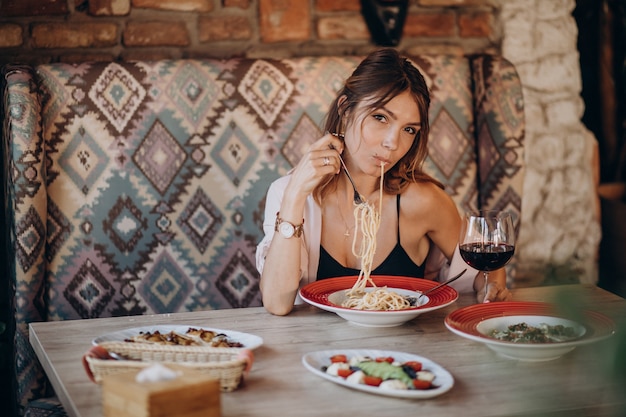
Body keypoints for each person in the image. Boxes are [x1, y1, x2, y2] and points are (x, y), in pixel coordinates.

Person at [255, 48, 512, 316]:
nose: (392, 143)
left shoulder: (424, 201)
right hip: (316, 352)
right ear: (345, 108)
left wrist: (490, 288)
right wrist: (295, 194)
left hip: (408, 352)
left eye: (409, 129)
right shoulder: (290, 193)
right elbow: (276, 303)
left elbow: (485, 270)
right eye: (380, 117)